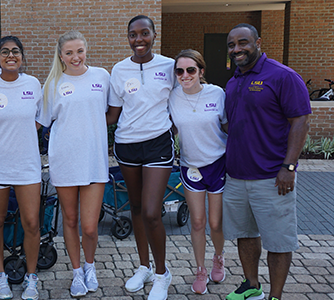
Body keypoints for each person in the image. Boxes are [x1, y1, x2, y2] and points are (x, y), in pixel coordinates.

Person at [223, 23, 311, 300]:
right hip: (236, 177)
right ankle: (252, 285)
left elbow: (300, 120)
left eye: (243, 43)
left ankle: (275, 295)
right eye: (232, 45)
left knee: (278, 240)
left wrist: (289, 167)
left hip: (272, 178)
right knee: (245, 234)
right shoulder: (233, 81)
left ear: (257, 42)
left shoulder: (282, 76)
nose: (237, 49)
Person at [106, 15, 176, 300]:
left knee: (151, 212)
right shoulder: (119, 70)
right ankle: (144, 267)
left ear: (154, 35)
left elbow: (185, 98)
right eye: (133, 35)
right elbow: (113, 114)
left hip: (158, 144)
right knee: (135, 209)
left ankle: (162, 274)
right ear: (128, 38)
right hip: (127, 146)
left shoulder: (169, 66)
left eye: (144, 33)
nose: (139, 40)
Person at [40, 30, 109, 297]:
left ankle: (90, 266)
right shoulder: (52, 84)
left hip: (94, 161)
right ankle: (77, 272)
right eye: (69, 52)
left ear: (86, 50)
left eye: (79, 51)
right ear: (61, 56)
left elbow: (111, 111)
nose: (75, 57)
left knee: (90, 226)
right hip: (65, 160)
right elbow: (41, 122)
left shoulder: (102, 76)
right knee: (69, 219)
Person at [0, 36, 43, 300]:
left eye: (15, 51)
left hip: (27, 165)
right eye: (5, 52)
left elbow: (40, 119)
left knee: (32, 222)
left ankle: (31, 278)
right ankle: (0, 275)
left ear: (22, 57)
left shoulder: (33, 84)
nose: (11, 55)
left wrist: (22, 132)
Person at [168, 49, 227, 294]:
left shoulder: (217, 94)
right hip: (191, 166)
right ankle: (200, 269)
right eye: (180, 71)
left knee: (215, 222)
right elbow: (169, 128)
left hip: (218, 164)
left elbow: (228, 126)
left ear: (201, 71)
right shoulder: (172, 97)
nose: (185, 75)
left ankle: (219, 257)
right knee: (198, 221)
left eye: (190, 70)